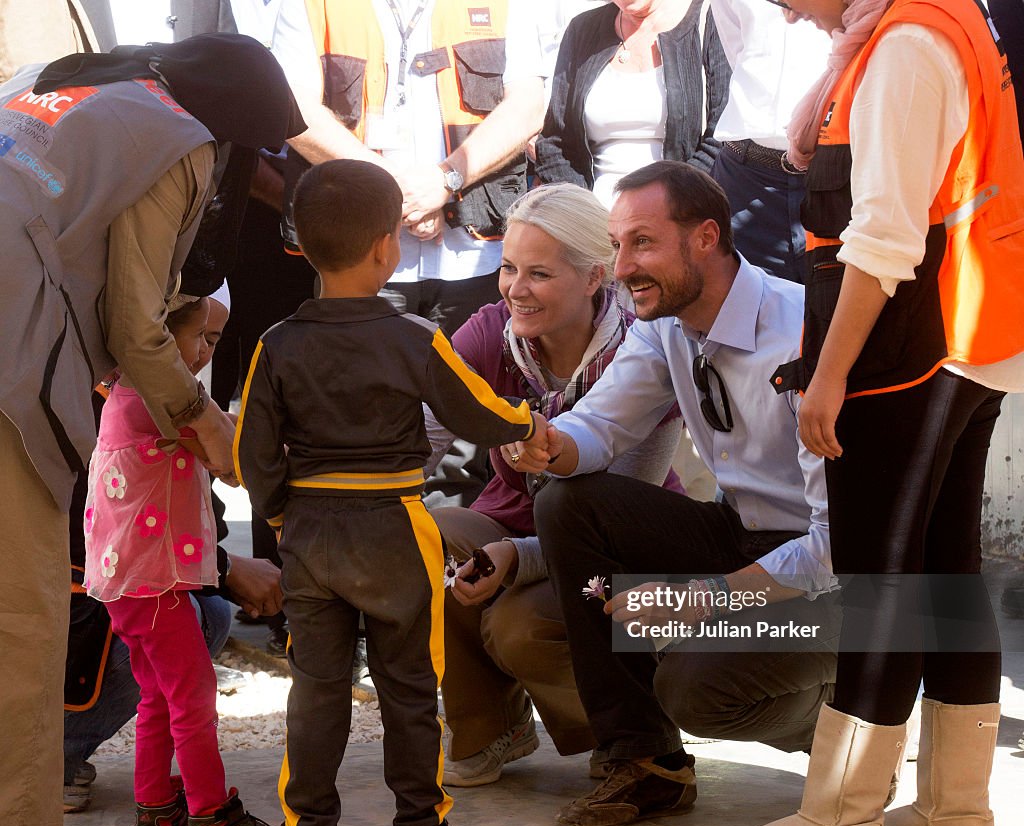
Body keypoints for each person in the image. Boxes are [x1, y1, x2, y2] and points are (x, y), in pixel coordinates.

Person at [713, 0, 1024, 826]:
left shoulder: (907, 49)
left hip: (913, 350)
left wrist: (829, 372)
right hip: (962, 341)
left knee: (882, 580)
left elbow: (885, 233)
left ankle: (840, 820)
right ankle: (954, 812)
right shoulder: (915, 31)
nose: (776, 3)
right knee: (940, 575)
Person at [0, 33, 302, 826]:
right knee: (20, 601)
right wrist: (211, 426)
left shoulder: (72, 83)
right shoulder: (178, 136)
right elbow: (139, 326)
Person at [234, 159, 549, 826]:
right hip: (397, 529)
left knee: (315, 690)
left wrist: (285, 514)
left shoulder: (275, 344)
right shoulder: (414, 337)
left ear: (300, 247)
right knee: (410, 689)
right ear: (387, 247)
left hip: (311, 532)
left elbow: (254, 451)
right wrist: (529, 419)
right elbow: (478, 412)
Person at [512, 160, 839, 826]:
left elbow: (837, 547)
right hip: (741, 530)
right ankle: (644, 761)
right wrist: (548, 442)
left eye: (642, 243)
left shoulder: (798, 331)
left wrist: (704, 599)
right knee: (567, 502)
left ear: (706, 239)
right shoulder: (664, 323)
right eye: (618, 243)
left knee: (692, 685)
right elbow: (599, 424)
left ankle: (849, 721)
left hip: (845, 579)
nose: (623, 265)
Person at [428, 182, 684, 787]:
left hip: (619, 552)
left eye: (538, 273)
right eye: (509, 268)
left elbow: (618, 517)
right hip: (512, 526)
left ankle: (634, 733)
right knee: (422, 536)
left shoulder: (642, 348)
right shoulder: (491, 332)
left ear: (595, 277)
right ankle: (492, 727)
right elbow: (424, 435)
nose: (516, 289)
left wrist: (513, 560)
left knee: (518, 626)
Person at [272, 0, 546, 507]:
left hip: (475, 258)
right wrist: (393, 192)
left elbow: (528, 104)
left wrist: (445, 182)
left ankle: (454, 577)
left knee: (468, 448)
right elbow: (293, 110)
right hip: (361, 265)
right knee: (358, 433)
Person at [63, 291, 283, 814]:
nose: (206, 352)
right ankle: (209, 813)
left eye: (215, 340)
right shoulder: (161, 401)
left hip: (133, 584)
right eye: (199, 337)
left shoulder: (125, 390)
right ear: (158, 342)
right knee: (192, 696)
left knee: (159, 697)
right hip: (153, 582)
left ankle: (155, 804)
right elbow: (232, 458)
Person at [534, 0, 730, 207]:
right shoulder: (583, 29)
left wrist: (661, 203)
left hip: (683, 209)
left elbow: (724, 140)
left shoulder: (712, 18)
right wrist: (585, 212)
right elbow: (554, 142)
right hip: (589, 217)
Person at [707, 0, 830, 281]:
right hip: (746, 177)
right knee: (742, 312)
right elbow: (737, 51)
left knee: (839, 312)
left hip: (837, 172)